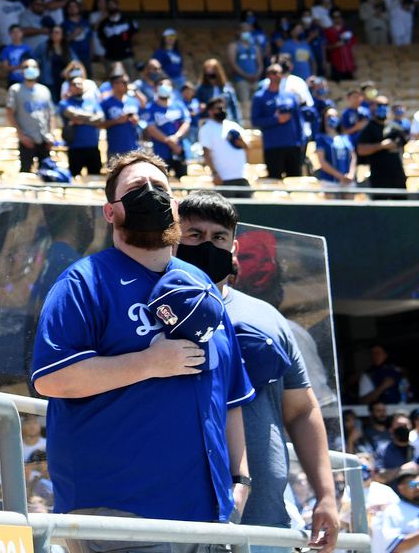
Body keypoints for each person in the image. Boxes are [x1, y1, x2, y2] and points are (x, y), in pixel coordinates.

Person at [32, 151, 254, 548]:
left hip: (211, 517)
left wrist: (240, 482)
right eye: (136, 189)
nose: (150, 195)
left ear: (174, 206)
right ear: (110, 212)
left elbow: (231, 397)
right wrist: (149, 363)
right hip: (120, 514)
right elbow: (52, 378)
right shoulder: (84, 281)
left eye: (160, 189)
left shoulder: (200, 283)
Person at [174, 193, 342, 551]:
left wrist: (326, 496)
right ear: (173, 237)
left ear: (233, 248)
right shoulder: (149, 312)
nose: (207, 245)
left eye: (218, 237)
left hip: (264, 526)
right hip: (175, 523)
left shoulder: (268, 319)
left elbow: (302, 410)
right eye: (194, 235)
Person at [8, 59, 58, 173]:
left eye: (34, 67)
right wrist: (21, 135)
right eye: (26, 67)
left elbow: (50, 114)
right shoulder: (15, 89)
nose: (30, 69)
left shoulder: (44, 90)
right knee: (26, 172)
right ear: (21, 71)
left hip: (44, 139)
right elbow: (10, 114)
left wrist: (51, 134)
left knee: (46, 173)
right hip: (27, 139)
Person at [198, 98, 253, 189]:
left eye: (223, 108)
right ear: (210, 111)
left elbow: (248, 147)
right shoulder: (206, 129)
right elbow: (206, 154)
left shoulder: (234, 125)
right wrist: (214, 174)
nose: (222, 110)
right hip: (223, 179)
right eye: (218, 108)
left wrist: (242, 143)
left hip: (242, 176)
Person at [60, 75, 106, 177]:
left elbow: (101, 118)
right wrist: (91, 118)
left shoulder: (92, 102)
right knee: (74, 178)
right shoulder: (65, 103)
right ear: (69, 87)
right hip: (75, 148)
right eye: (74, 84)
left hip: (93, 147)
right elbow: (72, 114)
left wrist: (82, 121)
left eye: (80, 84)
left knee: (95, 178)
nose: (77, 86)